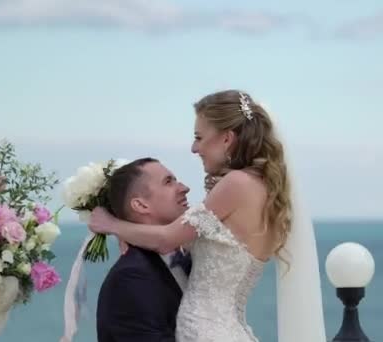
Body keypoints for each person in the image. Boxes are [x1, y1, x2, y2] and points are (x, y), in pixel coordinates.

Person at [89, 89, 327, 341]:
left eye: (199, 137)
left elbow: (167, 239)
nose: (194, 148)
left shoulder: (236, 183)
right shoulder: (263, 189)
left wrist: (112, 223)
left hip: (205, 332)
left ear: (226, 139)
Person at [96, 157, 192, 341]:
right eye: (168, 182)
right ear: (140, 205)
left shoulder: (188, 256)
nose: (184, 188)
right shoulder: (131, 276)